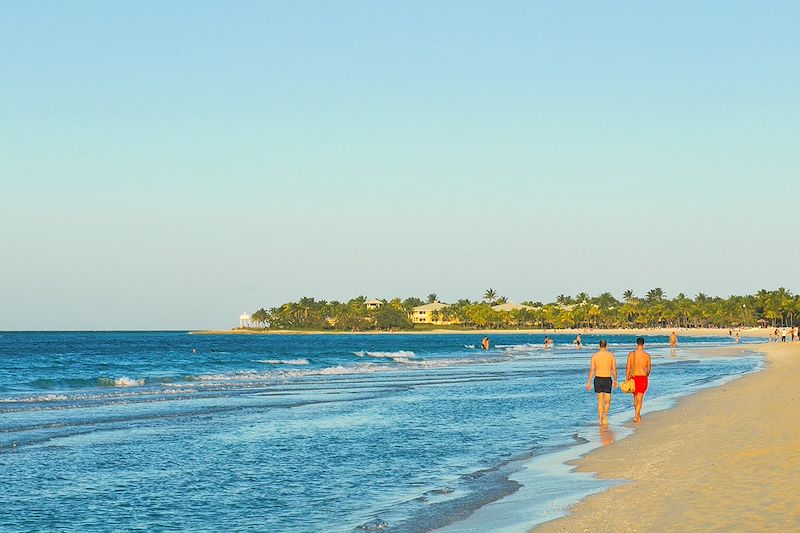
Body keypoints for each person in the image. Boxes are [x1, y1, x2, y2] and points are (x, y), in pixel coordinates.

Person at [586, 340, 617, 425]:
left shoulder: (595, 356)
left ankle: (600, 420)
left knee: (600, 401)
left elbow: (592, 369)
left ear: (599, 346)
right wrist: (615, 379)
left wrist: (589, 382)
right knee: (607, 401)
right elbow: (614, 369)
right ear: (606, 346)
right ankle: (605, 416)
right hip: (607, 379)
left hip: (598, 379)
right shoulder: (610, 355)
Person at [626, 337, 652, 423]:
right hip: (642, 377)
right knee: (640, 398)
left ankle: (637, 415)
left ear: (637, 344)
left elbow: (628, 367)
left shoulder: (631, 354)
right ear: (643, 344)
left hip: (633, 377)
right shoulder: (647, 355)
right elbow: (648, 369)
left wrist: (627, 377)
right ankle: (636, 416)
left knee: (635, 397)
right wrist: (646, 374)